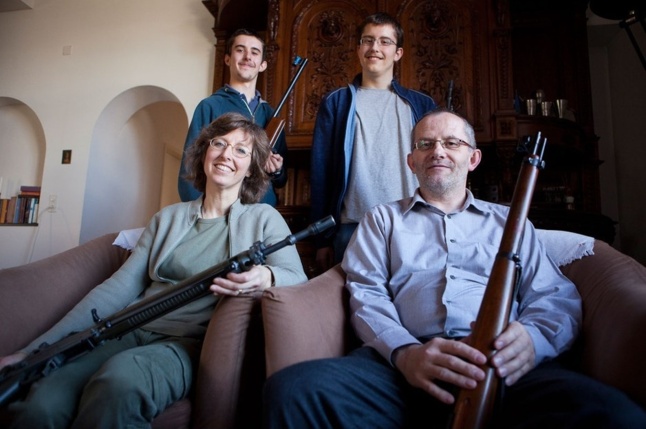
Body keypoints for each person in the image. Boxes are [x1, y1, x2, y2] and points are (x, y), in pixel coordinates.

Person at [263, 109, 646, 429]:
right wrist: (406, 353)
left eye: (452, 143)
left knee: (616, 416)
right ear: (411, 160)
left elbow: (554, 296)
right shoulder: (382, 219)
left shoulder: (511, 222)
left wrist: (532, 340)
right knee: (293, 392)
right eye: (425, 144)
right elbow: (367, 295)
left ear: (472, 158)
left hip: (503, 371)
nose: (438, 152)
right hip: (400, 369)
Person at [1, 112, 307, 428]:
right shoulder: (167, 218)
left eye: (241, 150)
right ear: (205, 152)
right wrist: (31, 352)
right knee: (43, 402)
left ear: (252, 167)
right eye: (219, 143)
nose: (227, 154)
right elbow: (116, 290)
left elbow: (297, 276)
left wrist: (266, 276)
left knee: (118, 384)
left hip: (184, 346)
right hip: (125, 332)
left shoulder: (263, 219)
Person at [310, 12, 437, 272]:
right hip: (352, 228)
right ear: (358, 49)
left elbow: (436, 166)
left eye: (384, 41)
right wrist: (321, 240)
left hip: (413, 225)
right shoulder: (337, 103)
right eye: (368, 40)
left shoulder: (421, 105)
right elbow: (321, 173)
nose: (375, 48)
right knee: (353, 309)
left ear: (398, 53)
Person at [178, 28, 288, 206]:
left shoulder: (271, 115)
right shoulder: (209, 106)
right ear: (227, 59)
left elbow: (281, 180)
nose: (247, 57)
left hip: (261, 214)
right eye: (240, 50)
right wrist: (202, 215)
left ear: (263, 64)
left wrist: (277, 170)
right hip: (220, 213)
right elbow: (189, 170)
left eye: (255, 52)